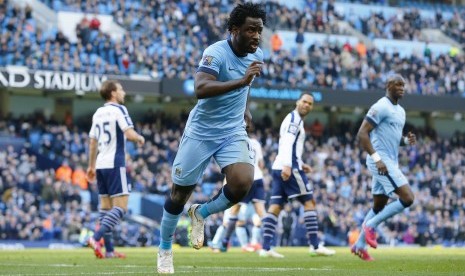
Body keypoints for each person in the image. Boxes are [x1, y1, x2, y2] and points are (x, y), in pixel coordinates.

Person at [157, 2, 266, 273]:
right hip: (201, 132)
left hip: (231, 131)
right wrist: (241, 81)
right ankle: (164, 248)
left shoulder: (258, 54)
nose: (256, 36)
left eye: (259, 30)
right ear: (234, 30)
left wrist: (246, 110)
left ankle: (201, 213)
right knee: (179, 194)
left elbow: (247, 86)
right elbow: (201, 88)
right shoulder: (215, 53)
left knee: (242, 184)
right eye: (251, 30)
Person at [259, 93, 335, 258]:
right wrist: (290, 165)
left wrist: (300, 164)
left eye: (310, 104)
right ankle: (315, 246)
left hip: (280, 166)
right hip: (288, 167)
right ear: (297, 102)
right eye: (304, 102)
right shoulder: (294, 120)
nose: (307, 105)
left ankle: (265, 248)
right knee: (309, 201)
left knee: (275, 207)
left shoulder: (293, 119)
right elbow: (287, 141)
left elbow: (290, 146)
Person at [351, 74, 416, 261]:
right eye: (398, 84)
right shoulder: (380, 106)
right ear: (388, 85)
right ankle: (370, 226)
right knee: (408, 198)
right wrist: (377, 158)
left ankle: (359, 245)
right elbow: (362, 134)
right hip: (381, 161)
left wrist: (405, 141)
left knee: (379, 206)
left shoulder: (401, 111)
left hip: (389, 160)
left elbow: (392, 140)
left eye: (404, 85)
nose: (402, 87)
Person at [86, 80, 145, 259]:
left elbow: (92, 142)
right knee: (121, 207)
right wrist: (140, 138)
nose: (123, 93)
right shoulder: (119, 110)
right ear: (113, 93)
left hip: (101, 164)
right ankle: (96, 238)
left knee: (105, 209)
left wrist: (91, 166)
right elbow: (128, 133)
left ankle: (109, 251)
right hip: (115, 163)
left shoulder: (98, 113)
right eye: (120, 89)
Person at [218, 130, 266, 252]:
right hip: (258, 178)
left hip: (244, 178)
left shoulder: (235, 142)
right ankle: (267, 243)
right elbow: (261, 164)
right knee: (261, 212)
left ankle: (225, 242)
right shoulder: (256, 143)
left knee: (234, 210)